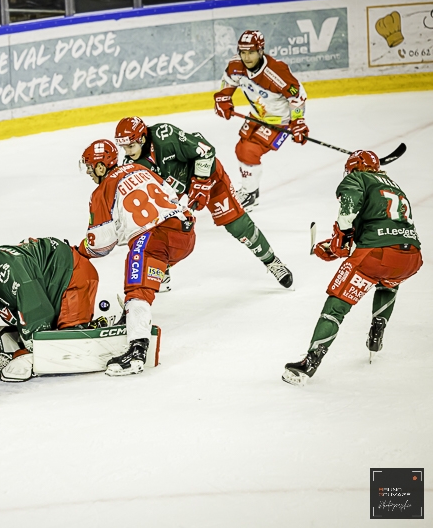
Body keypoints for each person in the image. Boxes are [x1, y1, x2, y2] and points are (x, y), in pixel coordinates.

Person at [282, 151, 422, 386]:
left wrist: (341, 235)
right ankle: (378, 330)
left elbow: (349, 211)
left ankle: (309, 363)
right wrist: (336, 245)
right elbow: (379, 229)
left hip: (376, 254)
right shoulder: (396, 188)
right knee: (388, 280)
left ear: (355, 167)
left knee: (337, 304)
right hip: (411, 258)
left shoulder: (358, 178)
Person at [115, 116, 294, 290]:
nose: (128, 151)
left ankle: (272, 262)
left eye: (131, 146)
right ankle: (163, 267)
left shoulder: (164, 135)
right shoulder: (132, 164)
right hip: (177, 188)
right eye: (124, 147)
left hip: (210, 176)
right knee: (160, 227)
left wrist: (201, 181)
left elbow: (205, 149)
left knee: (236, 224)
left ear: (143, 138)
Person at [77, 139, 196, 376]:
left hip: (154, 238)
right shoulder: (142, 169)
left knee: (137, 290)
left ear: (102, 167)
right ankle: (135, 310)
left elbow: (102, 243)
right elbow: (171, 196)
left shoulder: (102, 190)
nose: (90, 173)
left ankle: (136, 352)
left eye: (91, 167)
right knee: (147, 265)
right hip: (186, 233)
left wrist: (80, 250)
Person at [0, 235, 101, 381]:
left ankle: (91, 326)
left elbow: (36, 310)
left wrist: (30, 348)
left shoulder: (11, 270)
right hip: (52, 277)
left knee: (68, 338)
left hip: (72, 271)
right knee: (51, 335)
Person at [213, 30, 309, 210]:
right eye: (243, 52)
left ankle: (250, 194)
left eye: (251, 52)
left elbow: (297, 97)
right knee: (241, 149)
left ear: (261, 51)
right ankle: (250, 191)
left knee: (248, 151)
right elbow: (229, 81)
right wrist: (223, 98)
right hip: (256, 116)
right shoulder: (236, 65)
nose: (246, 57)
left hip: (280, 121)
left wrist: (298, 122)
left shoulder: (276, 72)